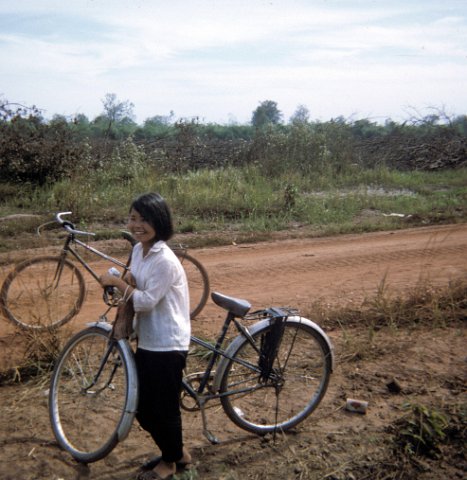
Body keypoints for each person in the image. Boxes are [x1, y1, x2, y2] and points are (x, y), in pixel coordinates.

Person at [100, 192, 192, 480]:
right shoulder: (139, 251)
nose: (137, 225)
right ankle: (177, 453)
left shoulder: (165, 259)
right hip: (150, 339)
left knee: (162, 408)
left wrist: (116, 282)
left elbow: (145, 301)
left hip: (167, 342)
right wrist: (122, 282)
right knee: (141, 406)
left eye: (144, 219)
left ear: (160, 222)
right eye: (133, 218)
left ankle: (169, 463)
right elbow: (135, 286)